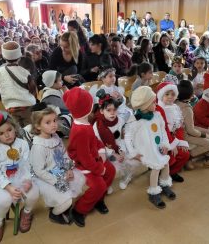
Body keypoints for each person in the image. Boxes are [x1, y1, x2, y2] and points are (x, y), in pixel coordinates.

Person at [0, 106, 39, 244]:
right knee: (5, 200)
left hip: (21, 176)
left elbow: (27, 164)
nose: (7, 135)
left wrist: (28, 180)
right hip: (1, 180)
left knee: (34, 192)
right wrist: (9, 187)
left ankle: (27, 212)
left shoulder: (23, 144)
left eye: (9, 130)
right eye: (1, 133)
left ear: (14, 128)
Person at [63, 87, 116, 227]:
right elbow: (84, 159)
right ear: (86, 108)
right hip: (82, 164)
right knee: (98, 185)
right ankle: (79, 210)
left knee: (111, 171)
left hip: (93, 158)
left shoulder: (85, 123)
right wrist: (99, 169)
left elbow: (94, 140)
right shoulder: (80, 130)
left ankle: (98, 199)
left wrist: (101, 150)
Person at [29, 104, 84, 224]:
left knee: (78, 182)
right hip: (46, 177)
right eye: (48, 122)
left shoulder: (55, 137)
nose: (54, 124)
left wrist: (68, 169)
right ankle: (54, 214)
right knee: (67, 200)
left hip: (60, 170)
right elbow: (39, 171)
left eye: (54, 120)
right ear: (38, 126)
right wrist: (56, 181)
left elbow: (64, 154)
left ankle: (61, 206)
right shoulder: (39, 146)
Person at [125, 86, 176, 209]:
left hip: (158, 147)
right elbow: (128, 137)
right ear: (145, 105)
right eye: (153, 102)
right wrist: (133, 153)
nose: (156, 104)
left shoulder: (157, 115)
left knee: (166, 163)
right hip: (146, 150)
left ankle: (164, 184)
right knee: (156, 168)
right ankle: (154, 192)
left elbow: (163, 131)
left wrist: (165, 144)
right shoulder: (135, 120)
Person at [93, 90, 140, 191]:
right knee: (107, 166)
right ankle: (107, 183)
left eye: (114, 109)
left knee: (131, 159)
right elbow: (98, 145)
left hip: (118, 146)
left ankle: (127, 176)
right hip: (103, 150)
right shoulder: (97, 126)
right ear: (101, 111)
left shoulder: (120, 120)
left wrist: (121, 150)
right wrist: (114, 154)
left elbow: (120, 138)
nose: (112, 113)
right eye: (108, 110)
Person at [176, 80, 209, 168]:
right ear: (190, 94)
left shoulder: (177, 102)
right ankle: (188, 158)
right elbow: (190, 131)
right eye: (193, 90)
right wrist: (202, 135)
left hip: (185, 129)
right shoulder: (187, 109)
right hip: (183, 134)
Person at [0, 41, 37, 127]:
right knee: (30, 129)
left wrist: (1, 98)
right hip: (27, 106)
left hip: (11, 107)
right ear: (19, 56)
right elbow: (32, 88)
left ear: (4, 56)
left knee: (18, 130)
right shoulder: (24, 72)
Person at [155, 82, 191, 176]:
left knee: (185, 153)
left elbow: (179, 128)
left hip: (173, 138)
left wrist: (180, 142)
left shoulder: (175, 107)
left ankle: (171, 173)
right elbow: (161, 131)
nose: (170, 97)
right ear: (161, 95)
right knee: (171, 155)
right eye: (167, 94)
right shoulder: (158, 110)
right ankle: (161, 175)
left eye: (172, 94)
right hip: (162, 141)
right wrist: (172, 144)